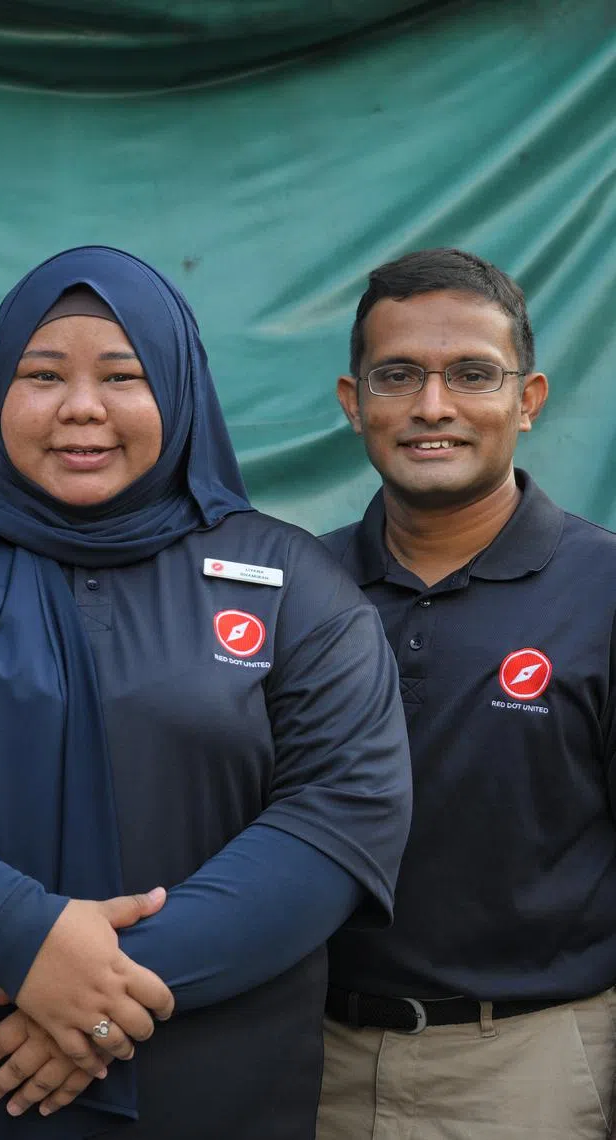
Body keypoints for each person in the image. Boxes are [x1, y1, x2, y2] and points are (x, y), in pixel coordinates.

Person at [0, 245, 412, 1140]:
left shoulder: (288, 578)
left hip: (206, 1076)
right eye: (42, 374)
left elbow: (343, 816)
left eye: (123, 375)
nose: (81, 407)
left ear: (179, 391)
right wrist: (18, 937)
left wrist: (104, 989)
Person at [317, 247, 616, 1139]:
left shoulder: (602, 591)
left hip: (530, 1070)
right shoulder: (299, 588)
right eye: (397, 375)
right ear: (353, 401)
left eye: (472, 375)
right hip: (307, 1061)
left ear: (528, 402)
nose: (432, 407)